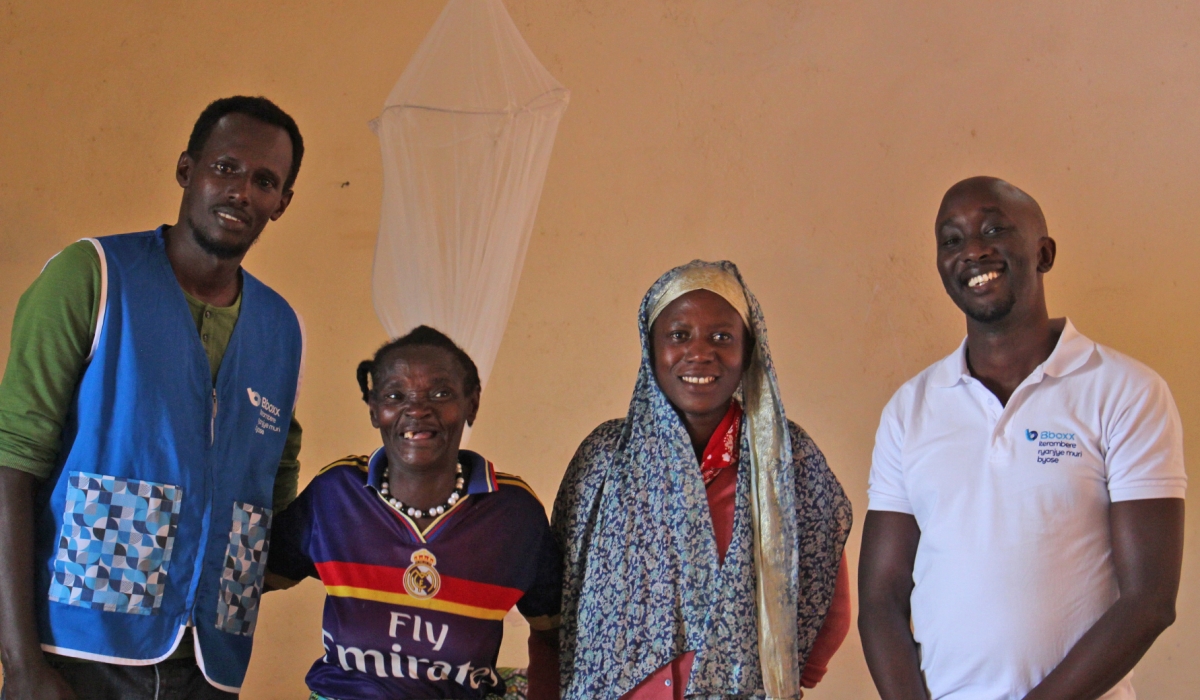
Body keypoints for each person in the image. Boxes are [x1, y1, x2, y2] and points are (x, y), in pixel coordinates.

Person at [0, 96, 307, 699]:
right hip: (78, 654)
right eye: (225, 167)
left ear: (282, 203)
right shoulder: (93, 276)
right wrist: (20, 664)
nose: (241, 191)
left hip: (210, 664)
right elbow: (11, 462)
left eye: (264, 181)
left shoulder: (280, 327)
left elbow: (272, 492)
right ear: (186, 169)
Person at [858, 176, 1186, 700]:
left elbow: (1149, 600)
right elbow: (881, 599)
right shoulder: (911, 408)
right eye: (952, 240)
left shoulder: (1125, 391)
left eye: (994, 230)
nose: (973, 251)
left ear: (1044, 253)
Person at [548, 260, 852, 700]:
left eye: (722, 337)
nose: (699, 353)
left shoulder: (786, 458)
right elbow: (557, 600)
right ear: (650, 347)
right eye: (678, 335)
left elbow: (829, 596)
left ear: (749, 349)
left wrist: (785, 677)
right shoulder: (604, 459)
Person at [268, 326, 562, 700]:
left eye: (440, 394)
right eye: (395, 395)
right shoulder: (335, 496)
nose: (417, 410)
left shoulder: (514, 515)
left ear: (472, 404)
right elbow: (250, 575)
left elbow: (552, 633)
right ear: (374, 410)